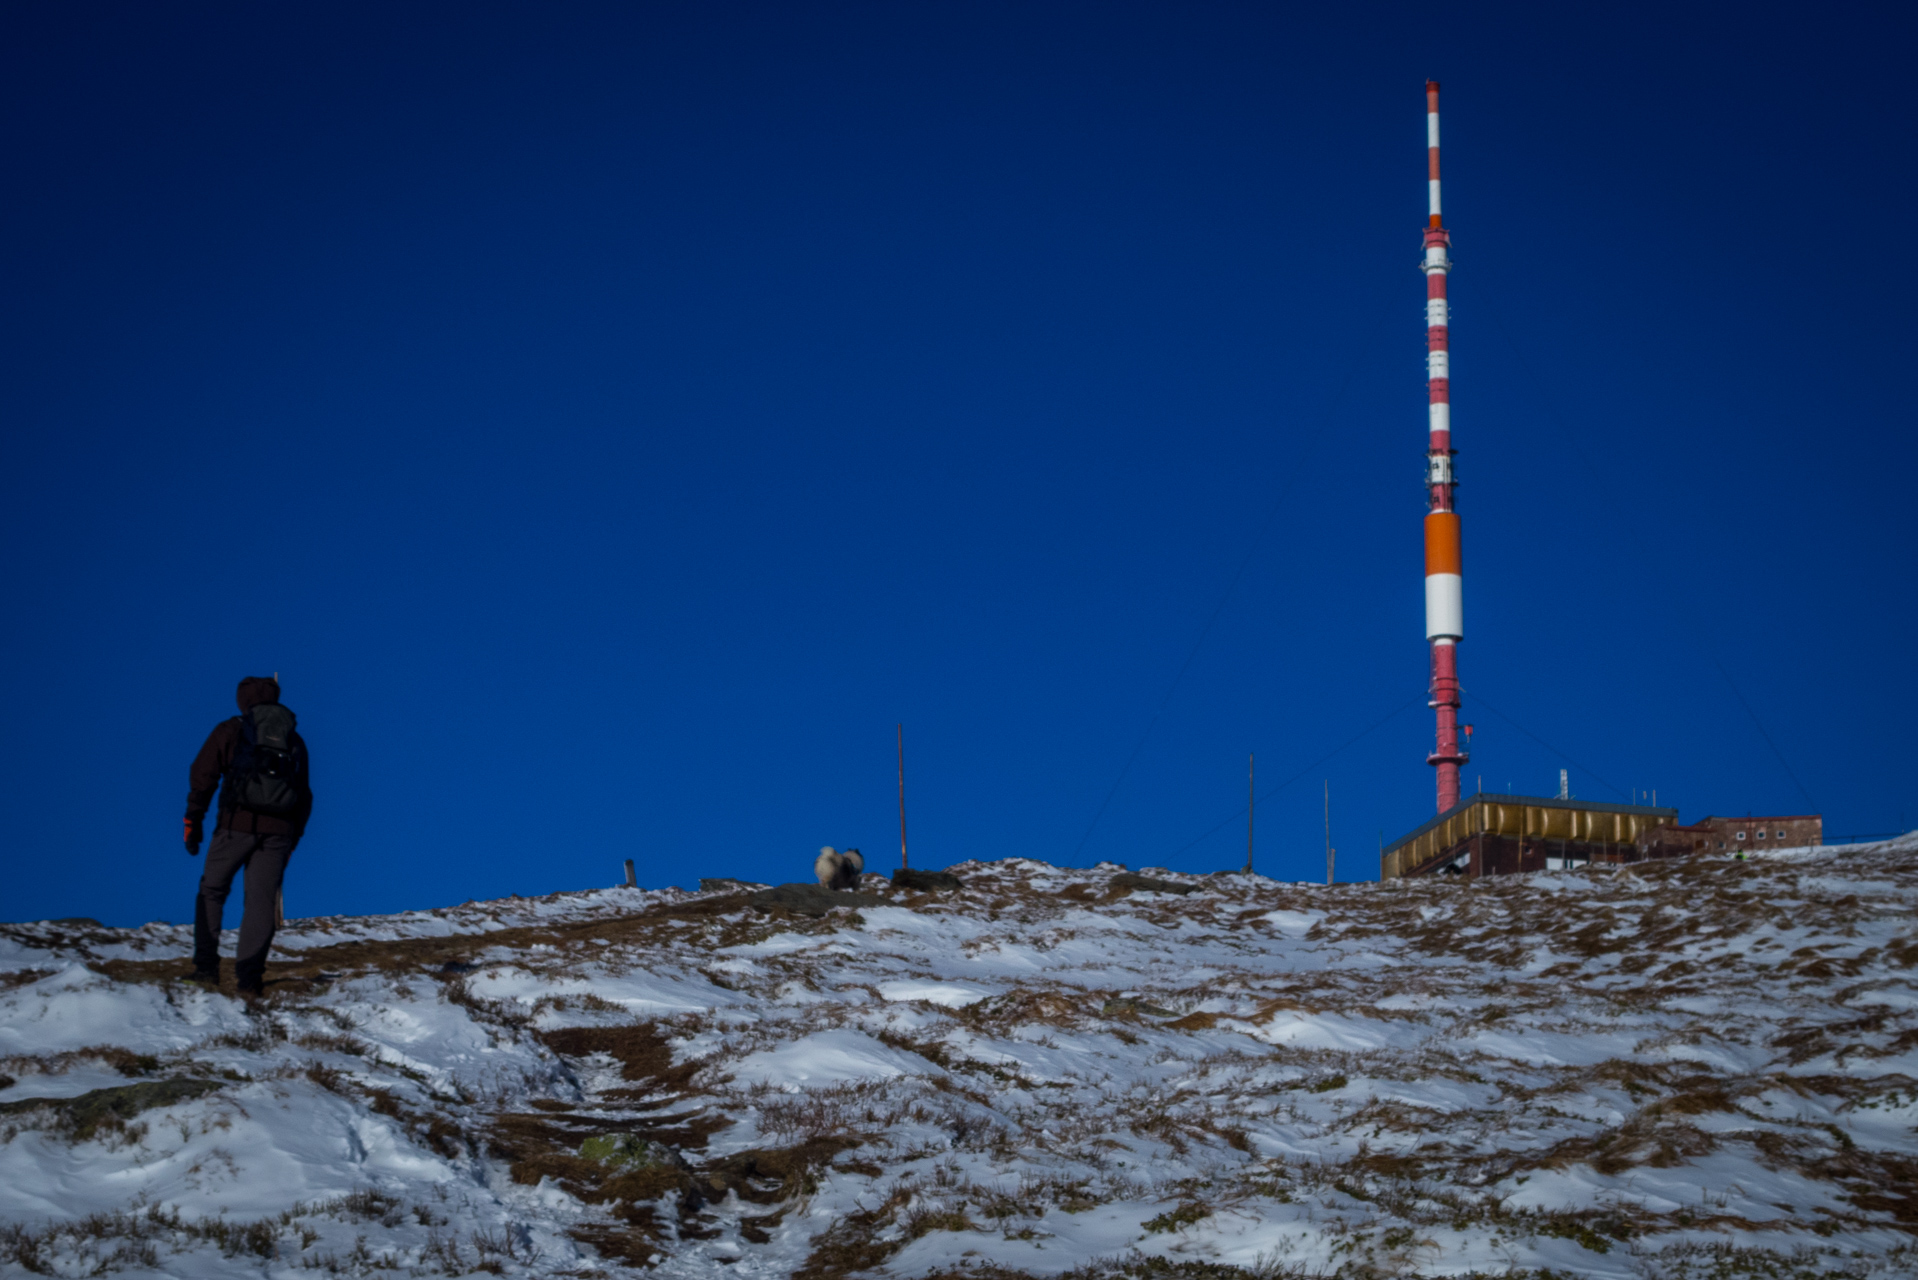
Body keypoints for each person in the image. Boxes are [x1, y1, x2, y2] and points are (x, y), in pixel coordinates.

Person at [183, 675, 312, 997]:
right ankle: (250, 981)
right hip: (279, 833)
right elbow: (305, 795)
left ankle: (206, 969)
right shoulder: (293, 739)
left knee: (212, 890)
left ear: (243, 700)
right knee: (260, 903)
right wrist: (292, 841)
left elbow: (203, 776)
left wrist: (193, 821)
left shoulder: (231, 730)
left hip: (234, 826)